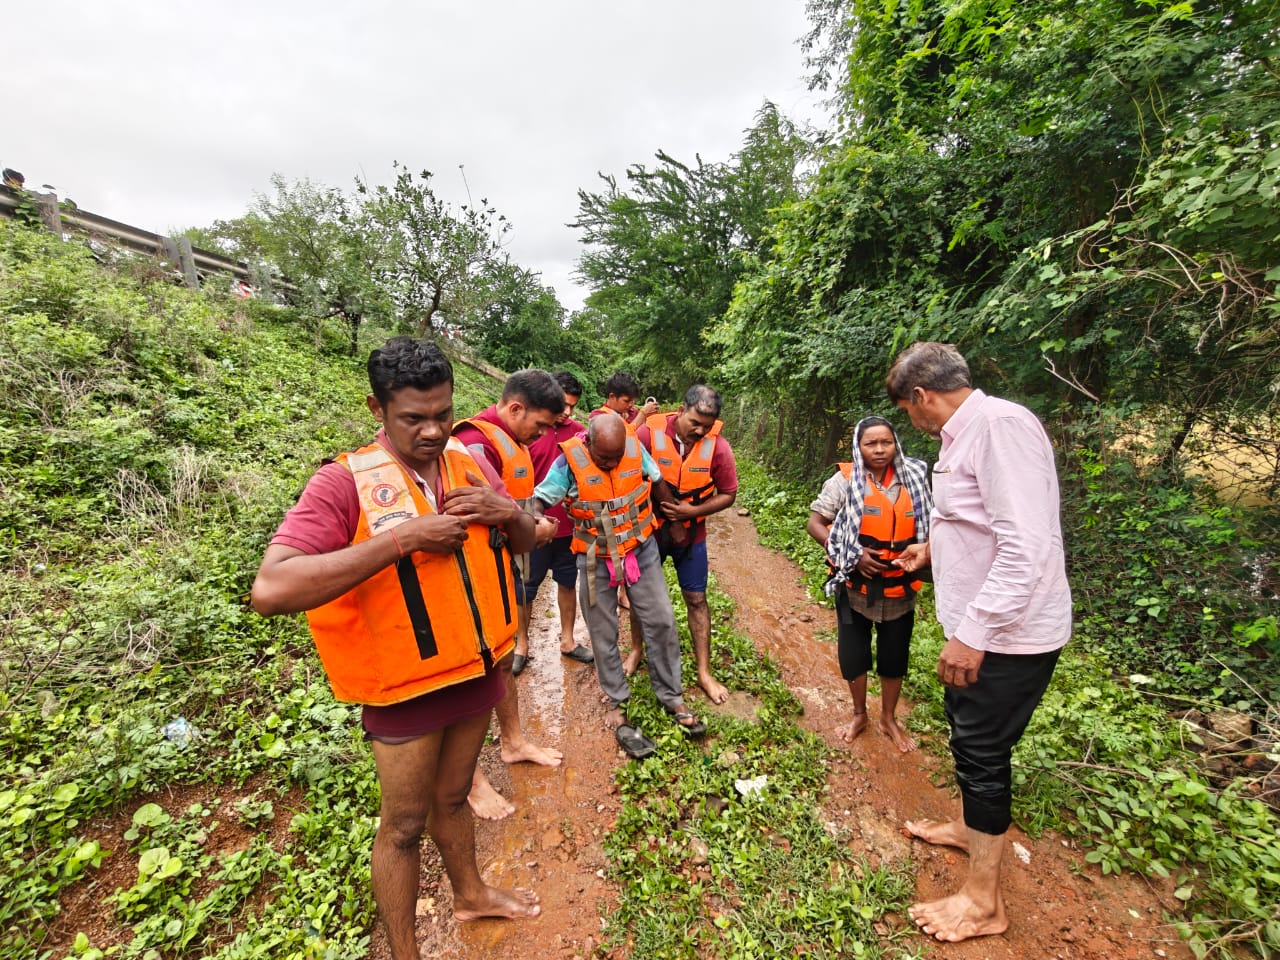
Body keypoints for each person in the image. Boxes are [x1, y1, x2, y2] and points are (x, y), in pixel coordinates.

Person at [250, 337, 540, 959]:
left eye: (442, 413)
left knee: (455, 797)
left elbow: (519, 541)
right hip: (405, 686)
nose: (434, 431)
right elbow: (272, 587)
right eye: (415, 418)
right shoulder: (341, 483)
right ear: (377, 409)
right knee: (404, 826)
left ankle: (470, 892)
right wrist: (403, 539)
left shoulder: (469, 461)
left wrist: (504, 508)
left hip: (476, 667)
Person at [887, 342, 1071, 943]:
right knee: (971, 739)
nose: (909, 422)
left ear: (921, 398)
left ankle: (984, 903)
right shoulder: (964, 436)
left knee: (982, 752)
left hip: (1008, 637)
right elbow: (980, 520)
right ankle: (972, 829)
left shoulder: (1000, 428)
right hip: (985, 629)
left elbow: (1026, 546)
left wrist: (972, 634)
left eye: (906, 411)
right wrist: (933, 549)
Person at [532, 413, 706, 758]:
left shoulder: (632, 446)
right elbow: (540, 499)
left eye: (615, 457)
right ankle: (616, 700)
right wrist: (535, 518)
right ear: (588, 443)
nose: (611, 464)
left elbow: (656, 480)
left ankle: (672, 696)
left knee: (662, 620)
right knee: (602, 631)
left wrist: (674, 524)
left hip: (640, 548)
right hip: (595, 557)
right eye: (604, 458)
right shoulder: (568, 462)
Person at [452, 369, 566, 819]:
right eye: (539, 425)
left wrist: (532, 527)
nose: (541, 435)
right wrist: (534, 530)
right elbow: (477, 509)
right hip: (472, 576)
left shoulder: (508, 441)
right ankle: (469, 779)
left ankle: (513, 742)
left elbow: (508, 507)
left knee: (500, 659)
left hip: (500, 566)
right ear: (515, 408)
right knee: (471, 672)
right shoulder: (475, 443)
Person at [807, 416, 933, 751]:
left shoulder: (915, 478)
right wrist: (853, 553)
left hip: (899, 588)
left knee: (895, 657)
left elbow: (932, 526)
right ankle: (859, 713)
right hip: (854, 586)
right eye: (871, 443)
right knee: (853, 654)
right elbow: (816, 523)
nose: (879, 450)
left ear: (896, 444)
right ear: (858, 447)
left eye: (886, 442)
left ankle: (888, 717)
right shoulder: (844, 480)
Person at [631, 385, 739, 704]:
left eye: (707, 425)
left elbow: (728, 494)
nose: (699, 430)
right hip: (649, 530)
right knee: (642, 594)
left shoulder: (718, 448)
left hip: (693, 535)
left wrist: (692, 512)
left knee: (696, 597)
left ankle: (704, 672)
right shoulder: (647, 436)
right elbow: (629, 475)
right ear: (680, 410)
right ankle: (636, 650)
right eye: (695, 422)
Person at [522, 371, 594, 665]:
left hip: (569, 529)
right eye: (562, 404)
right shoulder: (529, 431)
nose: (567, 412)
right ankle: (521, 645)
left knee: (568, 582)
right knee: (527, 588)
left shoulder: (581, 436)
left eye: (572, 406)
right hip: (533, 527)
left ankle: (568, 639)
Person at [589, 371, 660, 430]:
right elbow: (623, 436)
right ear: (612, 396)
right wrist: (643, 414)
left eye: (633, 400)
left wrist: (650, 417)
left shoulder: (634, 413)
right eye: (626, 401)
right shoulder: (598, 416)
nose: (631, 405)